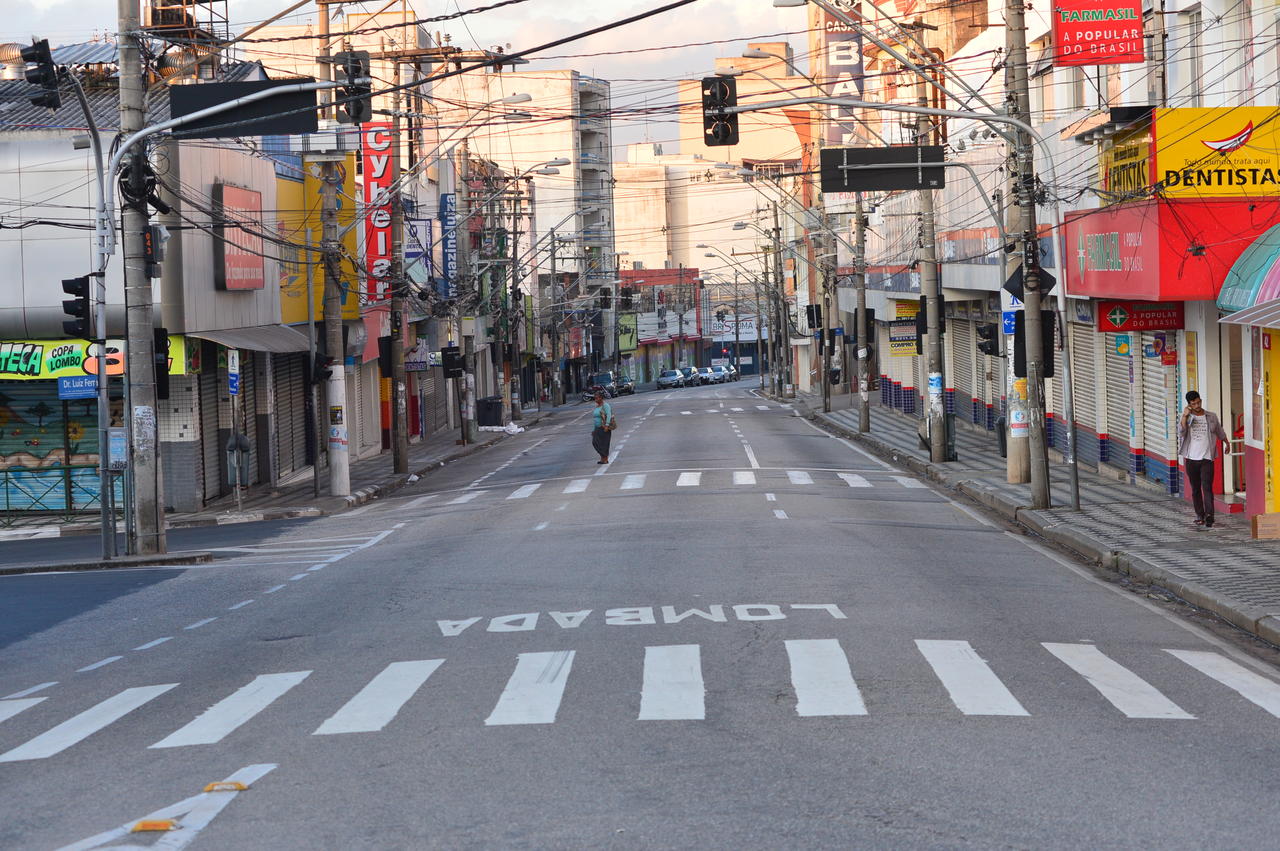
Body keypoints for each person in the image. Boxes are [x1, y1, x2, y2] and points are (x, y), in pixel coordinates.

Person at [1178, 391, 1229, 528]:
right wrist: (1185, 415)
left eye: (1198, 402)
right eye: (1193, 403)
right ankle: (1200, 515)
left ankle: (1209, 516)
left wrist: (1227, 443)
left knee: (1207, 487)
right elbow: (1182, 432)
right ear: (1189, 405)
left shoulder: (1211, 416)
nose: (1197, 405)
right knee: (1195, 489)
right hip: (1191, 459)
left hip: (1207, 458)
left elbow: (1219, 430)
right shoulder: (1187, 418)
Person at [591, 390, 613, 464]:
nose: (595, 400)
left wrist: (607, 425)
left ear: (601, 398)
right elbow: (595, 418)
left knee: (604, 444)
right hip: (597, 428)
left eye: (597, 398)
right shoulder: (597, 406)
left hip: (604, 428)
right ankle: (602, 456)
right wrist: (594, 429)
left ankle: (604, 459)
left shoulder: (605, 405)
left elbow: (609, 415)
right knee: (595, 443)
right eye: (595, 398)